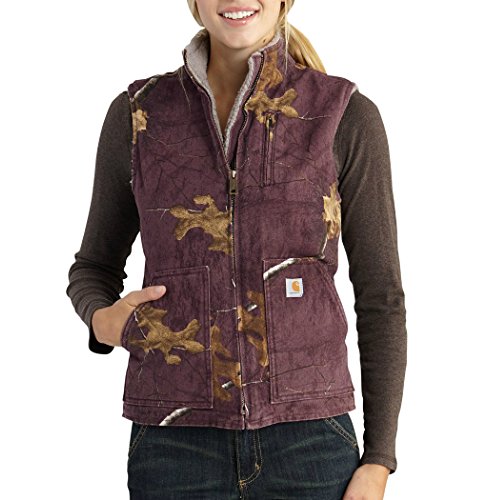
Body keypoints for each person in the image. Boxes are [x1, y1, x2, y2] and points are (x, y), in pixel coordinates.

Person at [66, 1, 407, 498]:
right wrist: (101, 320)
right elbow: (93, 267)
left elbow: (381, 296)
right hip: (174, 445)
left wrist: (379, 458)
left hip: (310, 443)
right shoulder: (139, 115)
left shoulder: (343, 115)